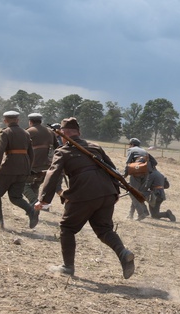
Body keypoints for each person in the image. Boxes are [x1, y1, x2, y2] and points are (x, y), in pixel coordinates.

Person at [35, 117, 135, 279]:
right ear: (78, 133)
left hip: (85, 194)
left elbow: (52, 174)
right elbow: (113, 170)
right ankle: (123, 253)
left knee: (67, 228)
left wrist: (44, 199)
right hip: (107, 193)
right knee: (104, 230)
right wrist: (115, 191)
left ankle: (68, 267)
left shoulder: (62, 151)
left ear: (63, 134)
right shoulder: (95, 147)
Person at [0, 110, 39, 229]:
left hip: (9, 168)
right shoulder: (26, 133)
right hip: (24, 169)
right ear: (18, 120)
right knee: (15, 197)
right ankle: (31, 210)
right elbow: (32, 153)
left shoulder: (6, 133)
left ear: (5, 121)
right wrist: (28, 169)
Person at [23, 112, 55, 208]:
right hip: (47, 166)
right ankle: (34, 210)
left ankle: (35, 202)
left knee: (22, 185)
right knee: (35, 186)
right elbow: (57, 148)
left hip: (33, 165)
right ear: (40, 121)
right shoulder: (50, 132)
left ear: (30, 121)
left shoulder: (29, 131)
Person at [123, 138, 155, 221]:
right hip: (146, 173)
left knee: (133, 193)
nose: (129, 146)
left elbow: (128, 163)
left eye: (129, 144)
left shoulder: (131, 149)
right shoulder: (144, 151)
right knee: (137, 194)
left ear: (132, 144)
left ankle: (141, 213)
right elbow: (153, 162)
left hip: (136, 172)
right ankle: (131, 214)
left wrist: (125, 174)